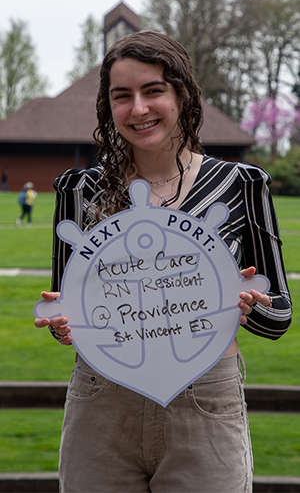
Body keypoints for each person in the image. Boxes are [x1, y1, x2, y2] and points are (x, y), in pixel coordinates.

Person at [34, 31, 292, 493]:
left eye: (153, 90)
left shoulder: (240, 185)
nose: (138, 109)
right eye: (122, 96)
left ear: (182, 95)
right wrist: (59, 322)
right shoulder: (78, 192)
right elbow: (65, 311)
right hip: (101, 401)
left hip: (205, 400)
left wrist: (252, 303)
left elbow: (280, 317)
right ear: (106, 107)